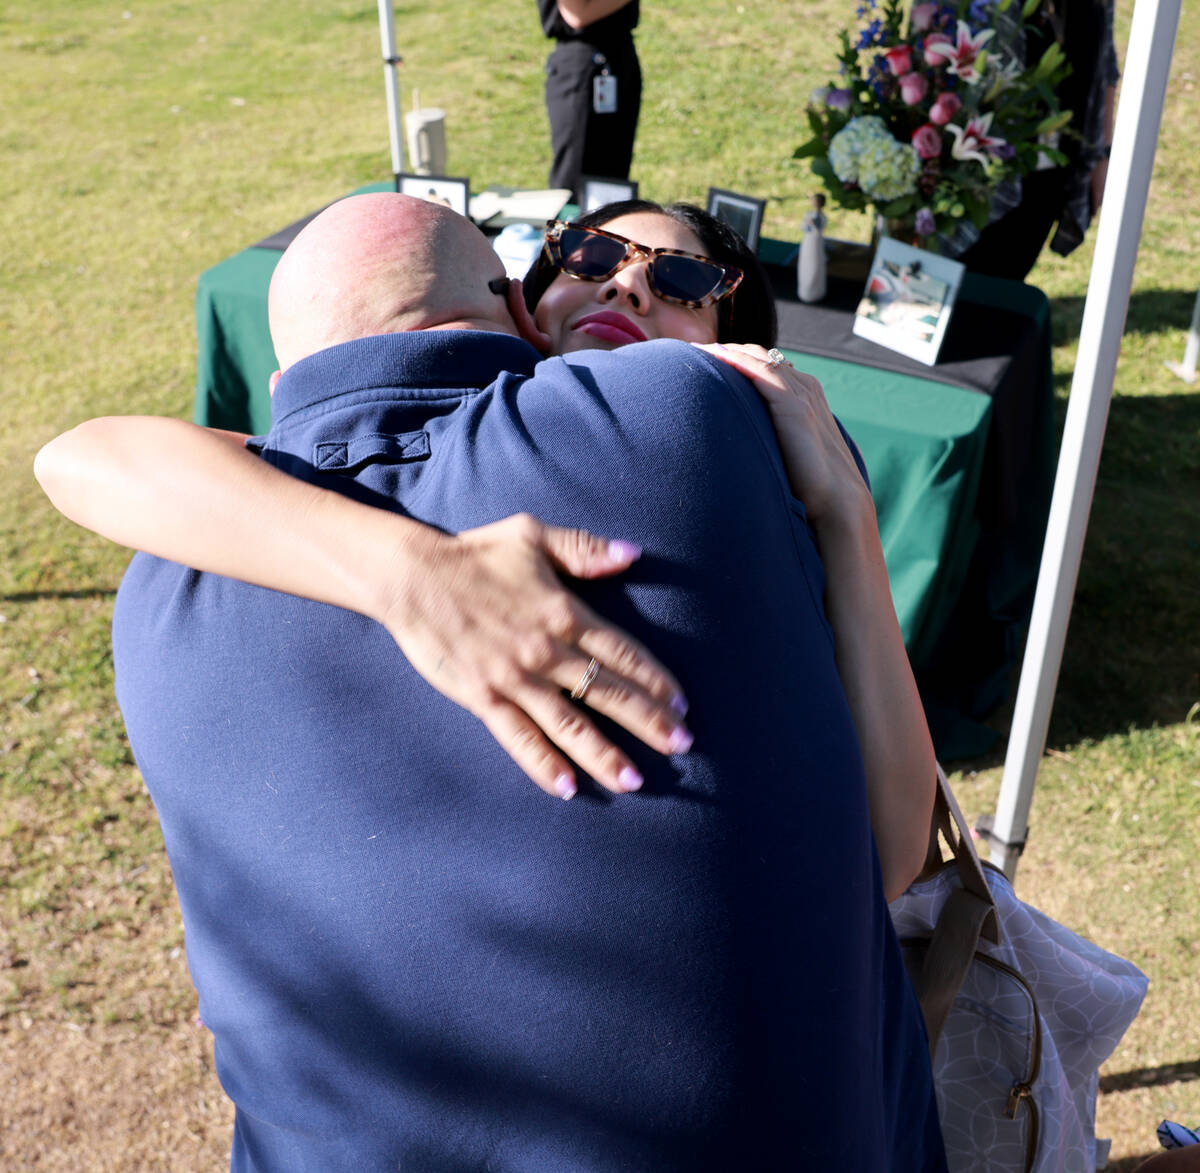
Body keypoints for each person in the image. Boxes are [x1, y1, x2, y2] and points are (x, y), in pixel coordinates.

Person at [35, 194, 945, 1169]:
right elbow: (82, 458)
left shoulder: (741, 437)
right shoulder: (672, 424)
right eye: (593, 252)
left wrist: (845, 513)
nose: (628, 280)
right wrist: (412, 576)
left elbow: (892, 850)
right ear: (523, 305)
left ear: (736, 349)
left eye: (682, 281)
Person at [957, 0, 1119, 280]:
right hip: (963, 169)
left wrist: (1102, 153)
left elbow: (1106, 61)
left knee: (1002, 295)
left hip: (1046, 172)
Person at [539, 0, 640, 202]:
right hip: (583, 65)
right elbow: (578, 14)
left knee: (611, 187)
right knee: (577, 185)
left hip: (618, 56)